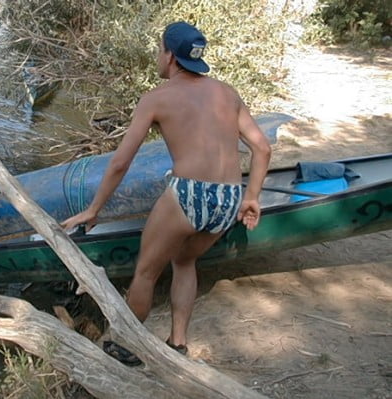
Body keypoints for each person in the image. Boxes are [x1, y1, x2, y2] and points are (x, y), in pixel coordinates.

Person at [62, 21, 271, 365]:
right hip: (229, 198)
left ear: (170, 56)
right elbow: (261, 149)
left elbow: (120, 163)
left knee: (146, 272)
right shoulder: (227, 93)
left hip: (189, 193)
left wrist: (95, 208)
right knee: (185, 260)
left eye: (160, 50)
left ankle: (128, 347)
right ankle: (178, 343)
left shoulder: (156, 99)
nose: (158, 57)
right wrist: (252, 197)